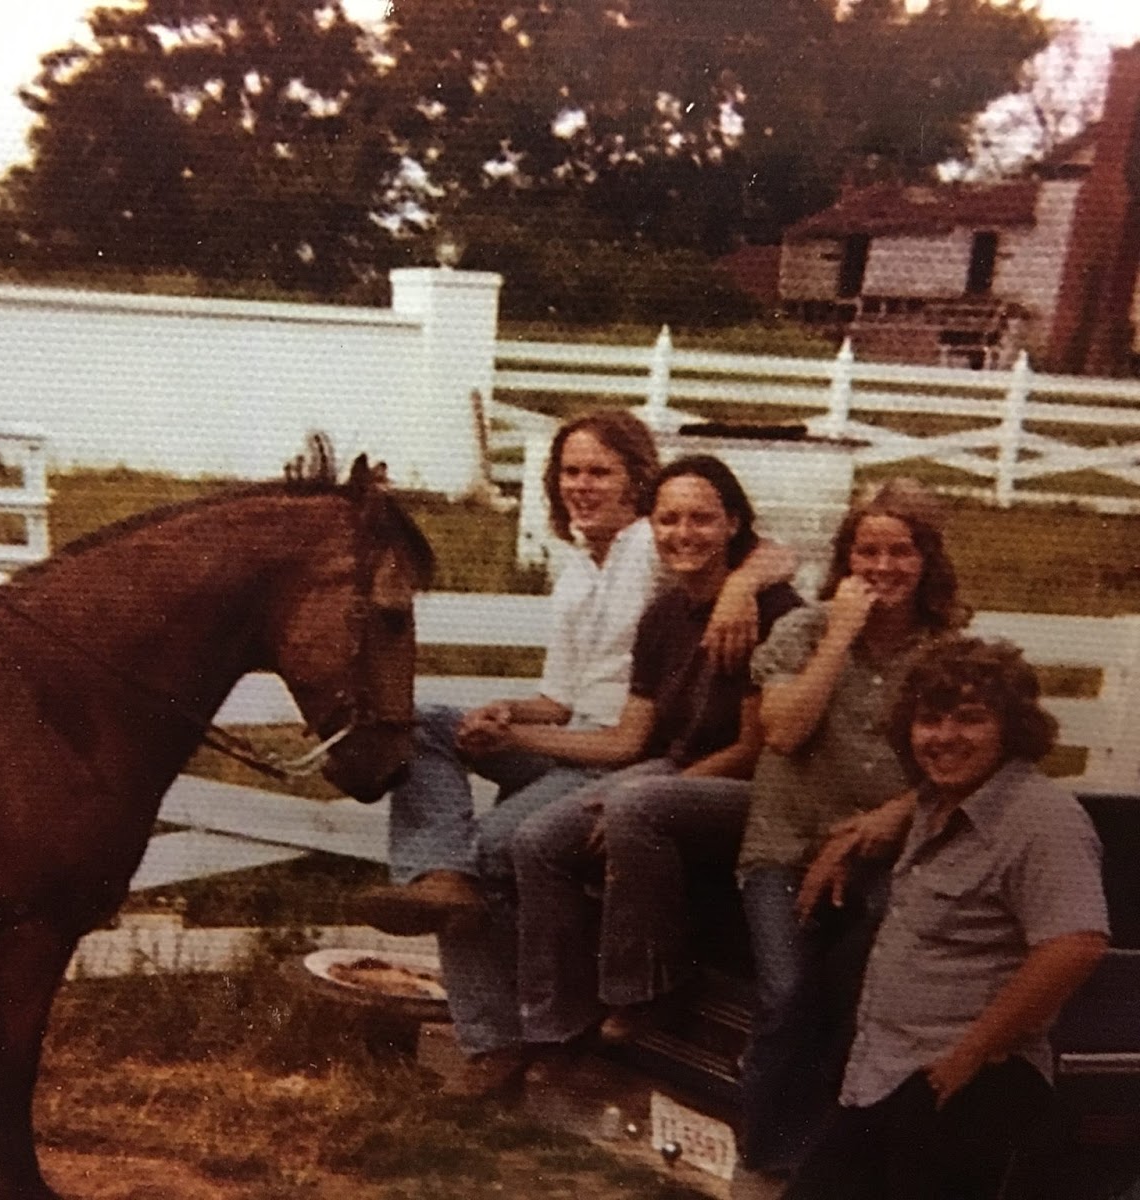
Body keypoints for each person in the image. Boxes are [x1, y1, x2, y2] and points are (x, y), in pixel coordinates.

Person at [355, 411, 793, 943]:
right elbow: (558, 702)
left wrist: (741, 587)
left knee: (494, 846)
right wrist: (507, 713)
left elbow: (778, 552)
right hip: (568, 740)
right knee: (420, 724)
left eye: (599, 473)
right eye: (570, 472)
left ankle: (497, 1005)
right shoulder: (577, 572)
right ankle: (442, 874)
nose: (581, 487)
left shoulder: (650, 544)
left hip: (618, 753)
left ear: (636, 480)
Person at [499, 455, 801, 1078]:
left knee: (635, 804)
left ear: (734, 525)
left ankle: (650, 989)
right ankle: (555, 1029)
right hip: (673, 769)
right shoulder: (663, 616)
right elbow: (628, 737)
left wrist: (647, 796)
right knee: (537, 840)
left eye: (702, 519)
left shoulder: (767, 610)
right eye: (668, 520)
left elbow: (754, 751)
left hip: (758, 786)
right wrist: (514, 732)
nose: (683, 534)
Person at [783, 636, 1109, 1200]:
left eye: (970, 719)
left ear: (1011, 728)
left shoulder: (1043, 819)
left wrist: (971, 1053)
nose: (945, 737)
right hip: (885, 1075)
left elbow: (1076, 944)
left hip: (964, 1081)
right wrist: (855, 839)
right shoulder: (935, 803)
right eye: (929, 720)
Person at [735, 480, 968, 1176]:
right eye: (867, 551)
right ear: (845, 562)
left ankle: (825, 1154)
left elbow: (962, 763)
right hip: (783, 849)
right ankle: (758, 1157)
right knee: (785, 991)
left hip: (883, 854)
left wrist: (882, 821)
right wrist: (838, 633)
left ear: (927, 562)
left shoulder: (944, 650)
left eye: (902, 551)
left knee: (870, 984)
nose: (883, 567)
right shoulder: (803, 631)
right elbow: (782, 730)